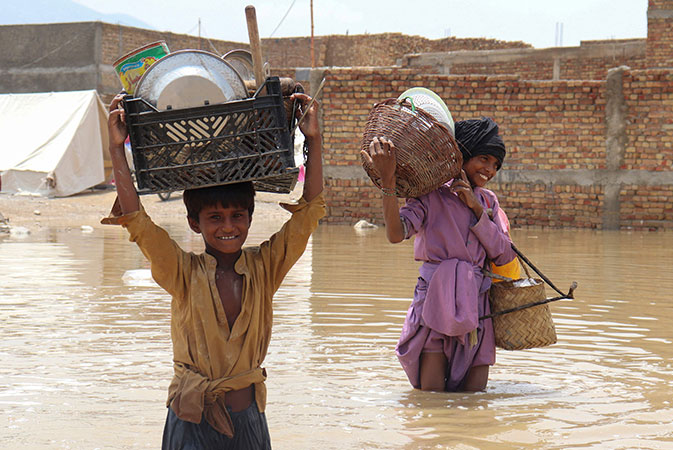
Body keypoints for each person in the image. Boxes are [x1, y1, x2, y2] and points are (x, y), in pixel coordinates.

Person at [103, 91, 325, 449]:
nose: (228, 227)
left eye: (237, 216)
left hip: (249, 423)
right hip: (191, 419)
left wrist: (312, 140)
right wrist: (117, 148)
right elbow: (137, 222)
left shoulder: (265, 267)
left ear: (251, 218)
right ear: (194, 223)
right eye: (215, 218)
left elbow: (310, 212)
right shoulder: (182, 272)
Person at [362, 117, 517, 392]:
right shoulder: (430, 195)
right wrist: (389, 182)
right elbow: (396, 234)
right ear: (463, 154)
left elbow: (504, 255)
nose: (489, 170)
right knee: (432, 401)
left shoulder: (488, 202)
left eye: (495, 165)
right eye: (483, 159)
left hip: (478, 309)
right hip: (435, 303)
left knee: (475, 399)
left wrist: (476, 209)